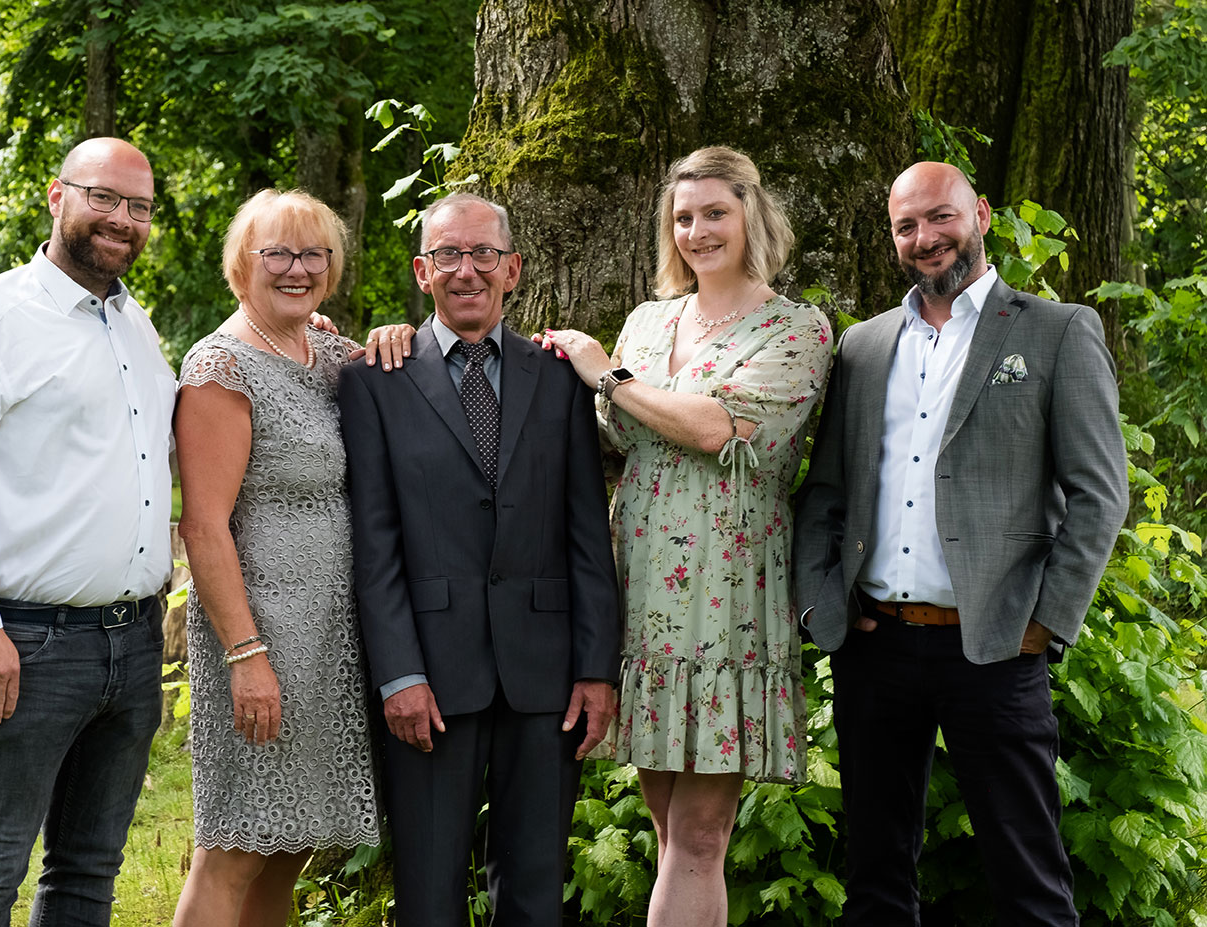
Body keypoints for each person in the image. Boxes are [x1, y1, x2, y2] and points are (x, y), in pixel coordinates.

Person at [792, 161, 1128, 924]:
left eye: (940, 217)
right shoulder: (865, 345)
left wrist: (1043, 621)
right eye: (906, 226)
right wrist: (822, 609)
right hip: (875, 648)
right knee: (875, 879)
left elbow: (1100, 493)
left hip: (997, 647)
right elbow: (827, 495)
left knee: (1029, 882)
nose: (925, 238)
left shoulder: (1055, 330)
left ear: (978, 213)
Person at [539, 146, 833, 927]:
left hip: (727, 595)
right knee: (674, 828)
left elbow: (713, 428)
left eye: (714, 213)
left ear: (751, 218)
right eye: (683, 217)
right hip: (643, 589)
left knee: (699, 834)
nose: (698, 230)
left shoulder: (796, 328)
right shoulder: (649, 320)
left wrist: (609, 376)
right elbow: (619, 439)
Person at [0, 137, 175, 926]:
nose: (122, 219)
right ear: (57, 197)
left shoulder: (135, 329)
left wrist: (299, 329)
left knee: (88, 872)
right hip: (26, 644)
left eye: (140, 206)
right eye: (104, 198)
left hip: (134, 642)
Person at [336, 193, 621, 927]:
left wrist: (595, 668)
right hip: (428, 676)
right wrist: (398, 672)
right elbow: (376, 543)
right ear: (422, 271)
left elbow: (589, 534)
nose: (467, 270)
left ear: (513, 268)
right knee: (428, 895)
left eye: (483, 254)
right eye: (447, 256)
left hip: (545, 677)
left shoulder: (560, 377)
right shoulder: (376, 378)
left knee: (534, 891)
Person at [170, 189, 412, 927]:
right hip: (263, 634)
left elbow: (392, 373)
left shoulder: (329, 352)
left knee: (287, 844)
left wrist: (401, 332)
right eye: (278, 252)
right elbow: (205, 526)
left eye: (315, 254)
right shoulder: (221, 368)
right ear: (243, 263)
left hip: (329, 643)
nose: (297, 268)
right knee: (235, 844)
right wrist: (246, 653)